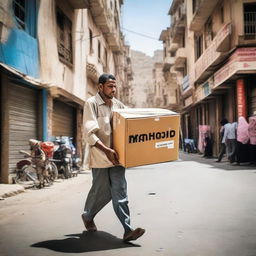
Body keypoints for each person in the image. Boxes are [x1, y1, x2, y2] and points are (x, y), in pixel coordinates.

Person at [81, 73, 145, 242]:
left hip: (118, 158)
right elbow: (89, 134)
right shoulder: (91, 104)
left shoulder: (119, 105)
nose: (113, 89)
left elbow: (130, 126)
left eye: (115, 86)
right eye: (110, 86)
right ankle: (88, 216)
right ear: (100, 87)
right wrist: (106, 150)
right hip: (100, 157)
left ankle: (127, 229)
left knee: (120, 191)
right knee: (100, 191)